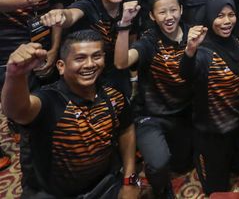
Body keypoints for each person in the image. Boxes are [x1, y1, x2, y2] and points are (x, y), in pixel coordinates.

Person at [1, 31, 138, 198]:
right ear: (61, 66)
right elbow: (17, 111)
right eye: (80, 58)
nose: (89, 64)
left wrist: (129, 179)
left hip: (104, 184)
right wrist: (15, 75)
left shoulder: (113, 95)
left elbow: (126, 129)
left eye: (96, 56)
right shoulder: (49, 99)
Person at [114, 0, 192, 199]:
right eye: (162, 12)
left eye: (173, 10)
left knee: (184, 163)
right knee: (159, 164)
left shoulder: (192, 34)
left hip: (183, 114)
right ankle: (161, 189)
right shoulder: (149, 40)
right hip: (151, 115)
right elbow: (121, 62)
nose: (169, 17)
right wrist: (124, 25)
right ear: (152, 16)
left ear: (181, 10)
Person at [179, 0, 239, 194]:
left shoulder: (236, 41)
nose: (227, 21)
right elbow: (186, 72)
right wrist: (190, 49)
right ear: (210, 18)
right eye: (219, 16)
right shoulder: (205, 51)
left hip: (237, 125)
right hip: (212, 132)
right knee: (216, 190)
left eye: (231, 15)